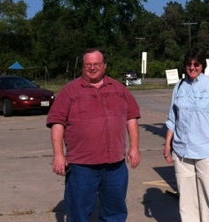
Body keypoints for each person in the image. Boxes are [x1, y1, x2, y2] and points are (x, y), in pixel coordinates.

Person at [46, 48, 141, 222]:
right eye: (88, 64)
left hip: (115, 166)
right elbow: (57, 123)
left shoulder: (119, 89)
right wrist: (58, 155)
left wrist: (134, 149)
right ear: (82, 67)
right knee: (78, 212)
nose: (92, 68)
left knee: (115, 212)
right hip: (82, 166)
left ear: (104, 65)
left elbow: (132, 118)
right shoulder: (69, 91)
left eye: (96, 64)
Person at [164, 47, 209, 222]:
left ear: (202, 65)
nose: (192, 67)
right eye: (189, 64)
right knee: (186, 201)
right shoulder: (179, 87)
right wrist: (167, 144)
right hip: (182, 152)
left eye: (196, 64)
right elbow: (172, 119)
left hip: (206, 152)